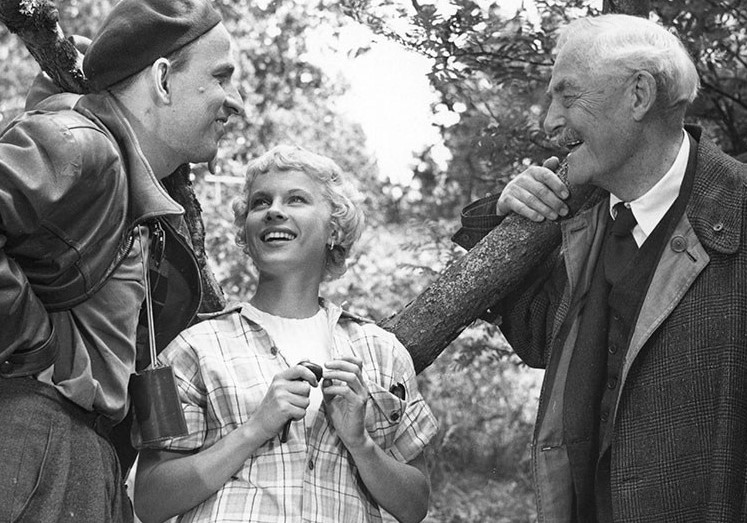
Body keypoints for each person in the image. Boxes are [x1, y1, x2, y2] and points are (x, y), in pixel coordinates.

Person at [452, 14, 747, 523]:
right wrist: (499, 218)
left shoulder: (737, 209)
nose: (550, 121)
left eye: (567, 96)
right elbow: (536, 335)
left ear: (639, 95)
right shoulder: (579, 219)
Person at [0, 0, 243, 521]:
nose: (236, 102)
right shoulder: (78, 144)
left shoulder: (137, 202)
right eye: (221, 77)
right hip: (35, 436)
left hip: (89, 458)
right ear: (163, 80)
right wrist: (33, 345)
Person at [134, 145, 438, 523]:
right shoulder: (192, 348)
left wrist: (360, 443)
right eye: (260, 202)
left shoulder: (382, 352)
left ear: (334, 228)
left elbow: (415, 505)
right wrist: (255, 428)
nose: (274, 211)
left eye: (296, 199)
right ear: (247, 232)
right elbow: (149, 499)